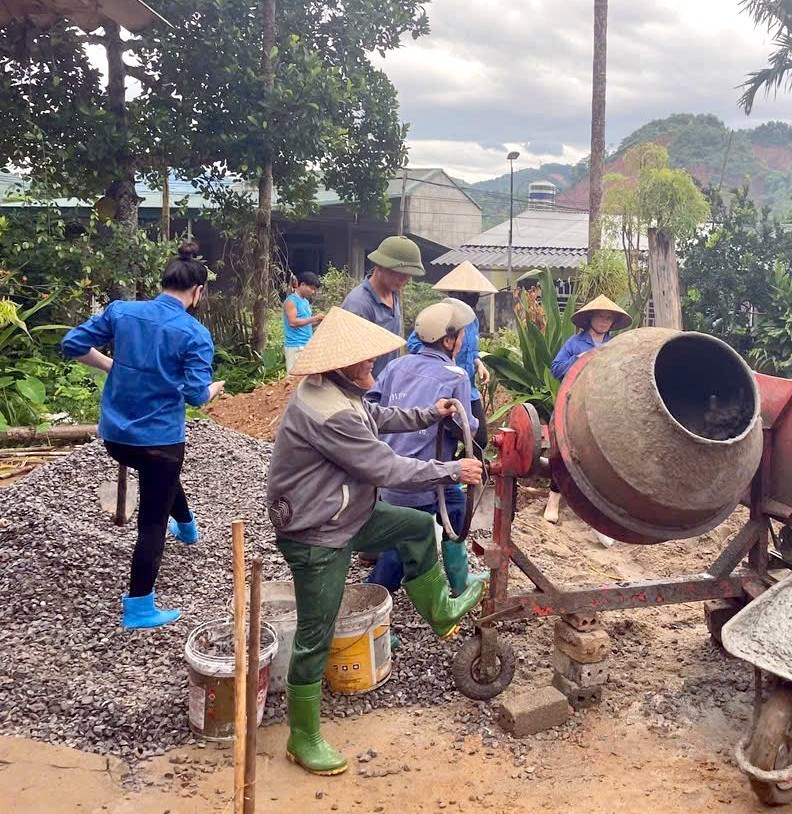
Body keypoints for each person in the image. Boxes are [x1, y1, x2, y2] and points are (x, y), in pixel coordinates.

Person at [266, 306, 485, 776]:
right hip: (316, 531)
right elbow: (385, 468)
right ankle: (302, 737)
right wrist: (452, 469)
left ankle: (440, 612)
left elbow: (378, 415)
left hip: (343, 511)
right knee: (316, 634)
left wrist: (428, 413)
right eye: (365, 359)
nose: (373, 364)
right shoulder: (329, 413)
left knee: (416, 527)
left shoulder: (339, 390)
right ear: (341, 364)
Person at [60, 241, 225, 630]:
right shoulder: (194, 333)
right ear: (198, 291)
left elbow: (72, 344)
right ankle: (139, 607)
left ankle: (187, 527)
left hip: (117, 438)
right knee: (151, 522)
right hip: (161, 441)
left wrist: (109, 365)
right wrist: (213, 390)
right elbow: (195, 395)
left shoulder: (122, 311)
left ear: (163, 282)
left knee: (161, 480)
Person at [367, 300, 489, 598]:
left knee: (457, 508)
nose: (464, 341)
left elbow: (368, 406)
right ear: (448, 341)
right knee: (405, 544)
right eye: (462, 336)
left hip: (390, 471)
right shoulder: (455, 375)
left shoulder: (395, 365)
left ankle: (459, 579)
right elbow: (468, 429)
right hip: (427, 476)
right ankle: (371, 599)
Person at [545, 295, 632, 527]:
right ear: (590, 319)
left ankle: (598, 507)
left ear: (613, 323)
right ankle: (553, 501)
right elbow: (556, 369)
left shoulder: (615, 346)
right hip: (573, 403)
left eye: (609, 318)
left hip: (603, 406)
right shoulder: (574, 343)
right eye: (600, 317)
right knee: (563, 450)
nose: (604, 321)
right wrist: (578, 358)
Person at [431, 261, 498, 452]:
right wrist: (445, 357)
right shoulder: (439, 318)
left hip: (468, 388)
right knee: (446, 438)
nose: (474, 299)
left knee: (479, 439)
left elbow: (472, 350)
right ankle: (449, 468)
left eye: (475, 295)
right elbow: (417, 344)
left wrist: (479, 363)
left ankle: (462, 467)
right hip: (444, 387)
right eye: (469, 295)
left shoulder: (473, 320)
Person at [340, 235, 425, 378]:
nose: (406, 280)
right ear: (380, 266)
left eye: (409, 275)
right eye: (401, 274)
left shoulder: (394, 292)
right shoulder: (359, 305)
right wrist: (377, 391)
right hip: (366, 388)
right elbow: (354, 366)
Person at [283, 272, 324, 373]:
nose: (313, 292)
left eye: (315, 289)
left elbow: (306, 323)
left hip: (306, 344)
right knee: (294, 377)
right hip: (295, 345)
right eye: (312, 288)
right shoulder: (291, 301)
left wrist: (319, 321)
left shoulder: (305, 302)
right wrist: (314, 318)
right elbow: (293, 322)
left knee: (306, 377)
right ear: (302, 284)